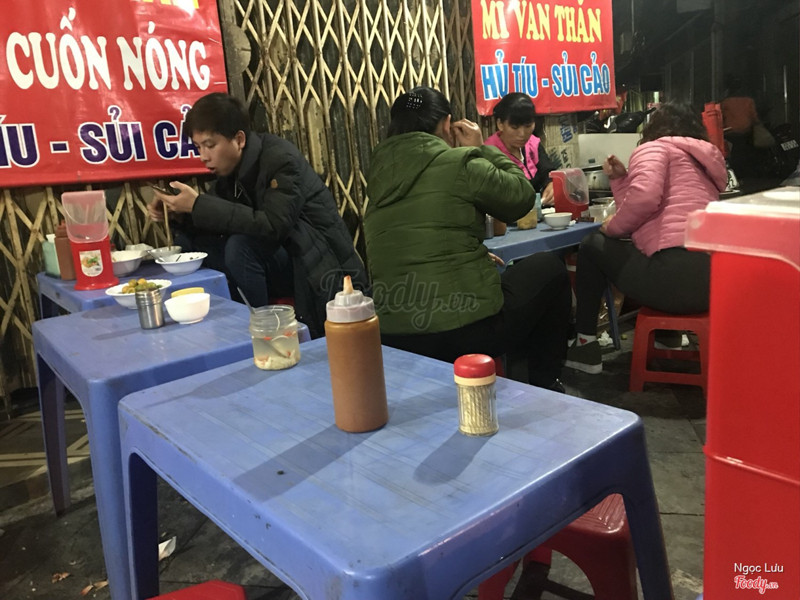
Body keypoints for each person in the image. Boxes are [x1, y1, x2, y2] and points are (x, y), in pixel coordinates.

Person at [364, 86, 571, 391]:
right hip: (461, 332)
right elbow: (521, 197)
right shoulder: (459, 163)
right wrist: (482, 148)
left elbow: (415, 238)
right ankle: (546, 383)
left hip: (394, 336)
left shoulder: (378, 180)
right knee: (549, 268)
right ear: (447, 124)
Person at [147, 92, 367, 337]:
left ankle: (257, 331)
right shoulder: (229, 172)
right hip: (278, 258)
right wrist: (179, 214)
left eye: (210, 145)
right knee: (193, 244)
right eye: (198, 147)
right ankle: (202, 322)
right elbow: (219, 222)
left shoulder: (280, 159)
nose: (203, 156)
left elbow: (274, 225)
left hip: (312, 262)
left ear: (239, 139)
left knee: (240, 247)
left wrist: (199, 205)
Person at [565, 102, 727, 374]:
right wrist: (620, 180)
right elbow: (643, 204)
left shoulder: (654, 148)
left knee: (593, 246)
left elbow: (644, 199)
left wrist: (611, 228)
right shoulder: (703, 160)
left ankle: (585, 346)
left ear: (653, 127)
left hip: (673, 283)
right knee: (652, 254)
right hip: (712, 285)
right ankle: (669, 336)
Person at [484, 92, 558, 206]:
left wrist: (551, 184)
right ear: (500, 124)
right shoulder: (489, 152)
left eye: (528, 126)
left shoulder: (532, 144)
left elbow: (547, 171)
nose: (522, 134)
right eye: (514, 127)